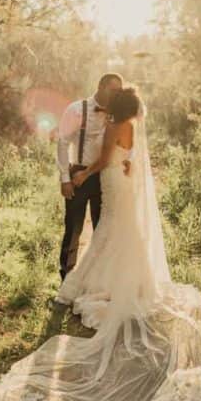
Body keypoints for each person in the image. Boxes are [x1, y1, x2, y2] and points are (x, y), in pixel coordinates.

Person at [0, 87, 201, 401]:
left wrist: (82, 175)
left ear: (117, 107)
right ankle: (119, 281)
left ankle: (81, 285)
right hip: (126, 183)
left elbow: (105, 159)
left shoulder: (113, 126)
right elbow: (129, 157)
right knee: (118, 232)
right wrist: (122, 163)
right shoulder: (133, 126)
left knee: (106, 231)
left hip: (111, 181)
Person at [55, 72, 126, 281]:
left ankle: (98, 278)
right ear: (101, 86)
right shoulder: (76, 109)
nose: (116, 95)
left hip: (105, 176)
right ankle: (66, 277)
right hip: (78, 174)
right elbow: (62, 142)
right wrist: (65, 178)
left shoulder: (117, 114)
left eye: (119, 91)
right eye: (113, 90)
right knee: (73, 228)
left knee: (102, 228)